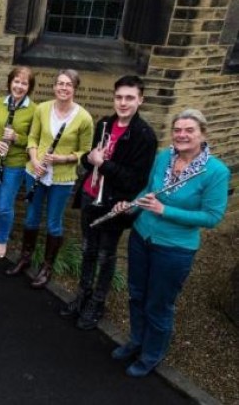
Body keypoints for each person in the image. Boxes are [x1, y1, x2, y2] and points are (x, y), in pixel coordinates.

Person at [110, 109, 229, 377]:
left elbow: (212, 217)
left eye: (189, 130)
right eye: (177, 130)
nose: (181, 135)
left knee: (158, 304)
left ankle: (152, 354)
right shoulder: (164, 156)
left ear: (203, 134)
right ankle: (136, 341)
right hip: (142, 236)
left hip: (175, 248)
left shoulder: (216, 172)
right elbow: (148, 191)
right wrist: (131, 206)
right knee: (137, 294)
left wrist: (165, 210)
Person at [59, 75, 158, 330]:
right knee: (88, 250)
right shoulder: (104, 123)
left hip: (114, 203)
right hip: (90, 195)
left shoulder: (144, 136)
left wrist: (103, 164)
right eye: (119, 97)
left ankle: (97, 302)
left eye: (129, 98)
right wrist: (89, 159)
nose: (123, 103)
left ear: (140, 100)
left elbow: (136, 180)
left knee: (105, 255)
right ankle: (83, 295)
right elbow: (89, 159)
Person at [6, 69, 93, 288]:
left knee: (54, 223)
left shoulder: (84, 118)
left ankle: (47, 267)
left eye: (68, 84)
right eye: (60, 83)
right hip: (36, 172)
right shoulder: (42, 109)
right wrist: (35, 160)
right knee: (31, 217)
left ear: (75, 89)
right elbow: (32, 138)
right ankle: (25, 257)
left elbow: (85, 152)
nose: (63, 88)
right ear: (54, 87)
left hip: (62, 178)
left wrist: (63, 158)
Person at [0, 66, 37, 260]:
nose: (19, 86)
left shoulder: (34, 110)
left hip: (14, 164)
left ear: (29, 87)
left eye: (24, 83)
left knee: (4, 206)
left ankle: (2, 240)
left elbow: (34, 141)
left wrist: (17, 137)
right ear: (10, 82)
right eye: (16, 81)